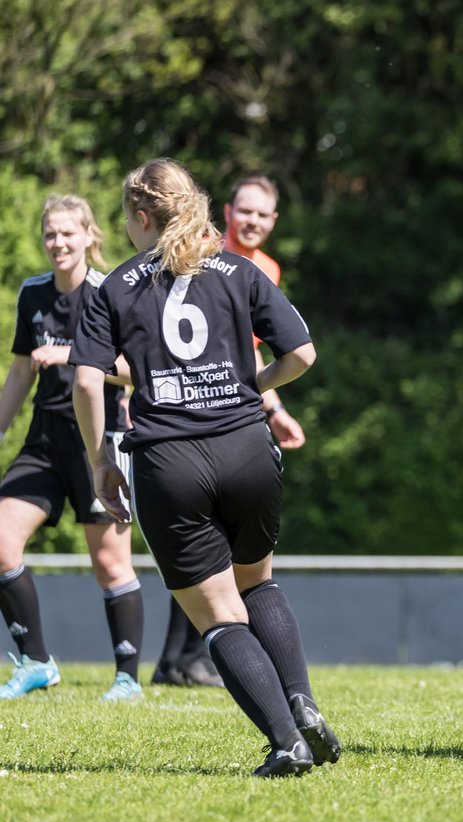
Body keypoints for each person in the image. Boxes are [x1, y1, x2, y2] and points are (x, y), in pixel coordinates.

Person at [70, 158, 339, 777]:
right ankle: (301, 701)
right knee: (258, 582)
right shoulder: (238, 268)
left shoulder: (113, 285)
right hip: (247, 448)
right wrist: (252, 385)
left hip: (170, 460)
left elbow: (86, 379)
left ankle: (285, 742)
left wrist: (99, 462)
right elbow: (302, 353)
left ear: (140, 217)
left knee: (217, 616)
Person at [152, 173, 303, 689]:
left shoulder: (267, 268)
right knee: (208, 548)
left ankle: (179, 661)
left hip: (229, 407)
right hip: (185, 412)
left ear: (274, 221)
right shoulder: (204, 252)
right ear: (228, 212)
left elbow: (250, 349)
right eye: (246, 211)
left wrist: (272, 406)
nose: (253, 221)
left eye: (263, 214)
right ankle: (182, 660)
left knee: (209, 545)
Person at [0, 195, 144, 702]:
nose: (58, 243)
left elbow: (133, 366)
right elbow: (21, 372)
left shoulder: (111, 291)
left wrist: (71, 354)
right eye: (50, 234)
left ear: (89, 235)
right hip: (43, 439)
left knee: (109, 562)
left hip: (99, 439)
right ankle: (36, 663)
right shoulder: (32, 293)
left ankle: (127, 678)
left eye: (67, 233)